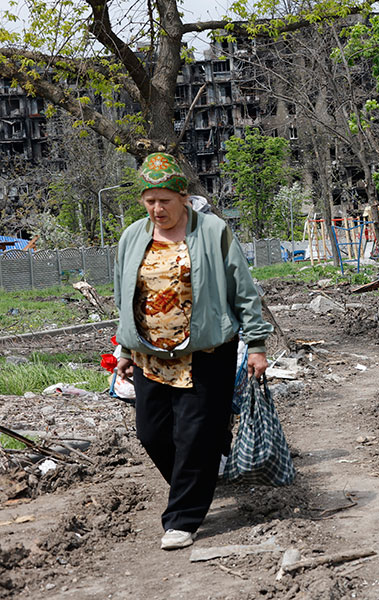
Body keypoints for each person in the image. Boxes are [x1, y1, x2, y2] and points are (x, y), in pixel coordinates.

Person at [114, 152, 273, 550]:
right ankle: (200, 477)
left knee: (194, 436)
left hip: (205, 353)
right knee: (151, 433)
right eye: (150, 200)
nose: (157, 208)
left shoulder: (212, 231)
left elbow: (243, 290)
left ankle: (182, 518)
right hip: (150, 355)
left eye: (165, 200)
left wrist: (256, 344)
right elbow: (125, 297)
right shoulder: (133, 237)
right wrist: (124, 350)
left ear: (183, 197)